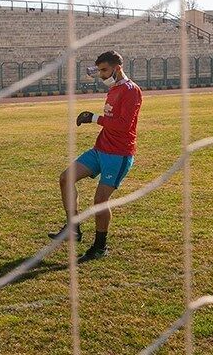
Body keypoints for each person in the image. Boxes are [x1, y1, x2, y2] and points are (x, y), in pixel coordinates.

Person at [48, 50, 142, 262]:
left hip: (119, 154)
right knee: (66, 178)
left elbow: (124, 125)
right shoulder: (114, 90)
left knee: (100, 200)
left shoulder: (131, 91)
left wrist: (94, 117)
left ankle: (100, 246)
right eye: (99, 70)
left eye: (104, 70)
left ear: (117, 68)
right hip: (100, 149)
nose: (101, 75)